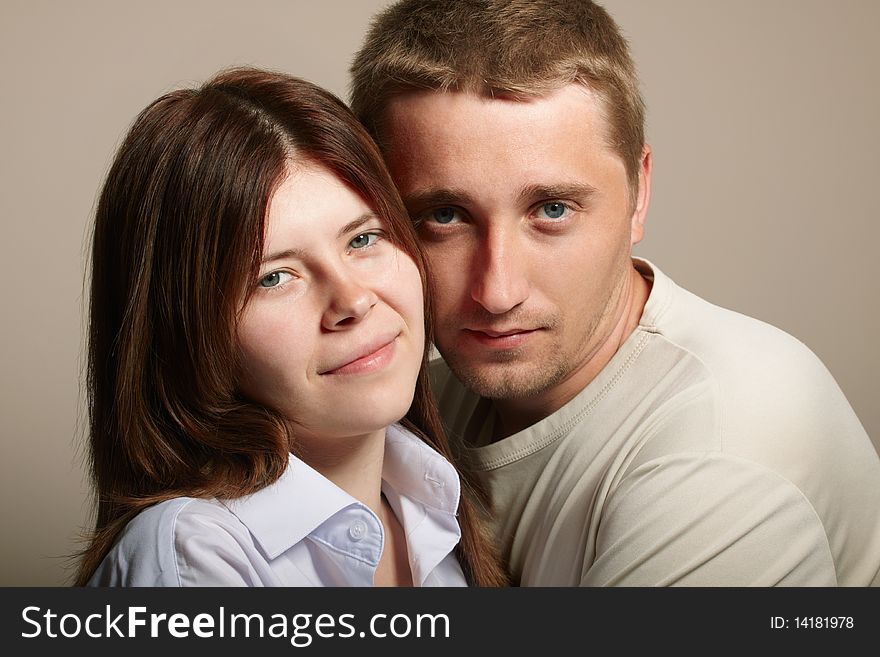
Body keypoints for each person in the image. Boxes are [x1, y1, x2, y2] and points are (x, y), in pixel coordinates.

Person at [349, 0, 880, 586]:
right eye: (444, 216)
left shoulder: (721, 451)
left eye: (552, 209)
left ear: (638, 192)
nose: (498, 292)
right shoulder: (406, 396)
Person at [75, 67, 506, 587]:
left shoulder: (430, 501)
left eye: (363, 239)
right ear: (189, 333)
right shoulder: (195, 558)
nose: (352, 300)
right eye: (275, 276)